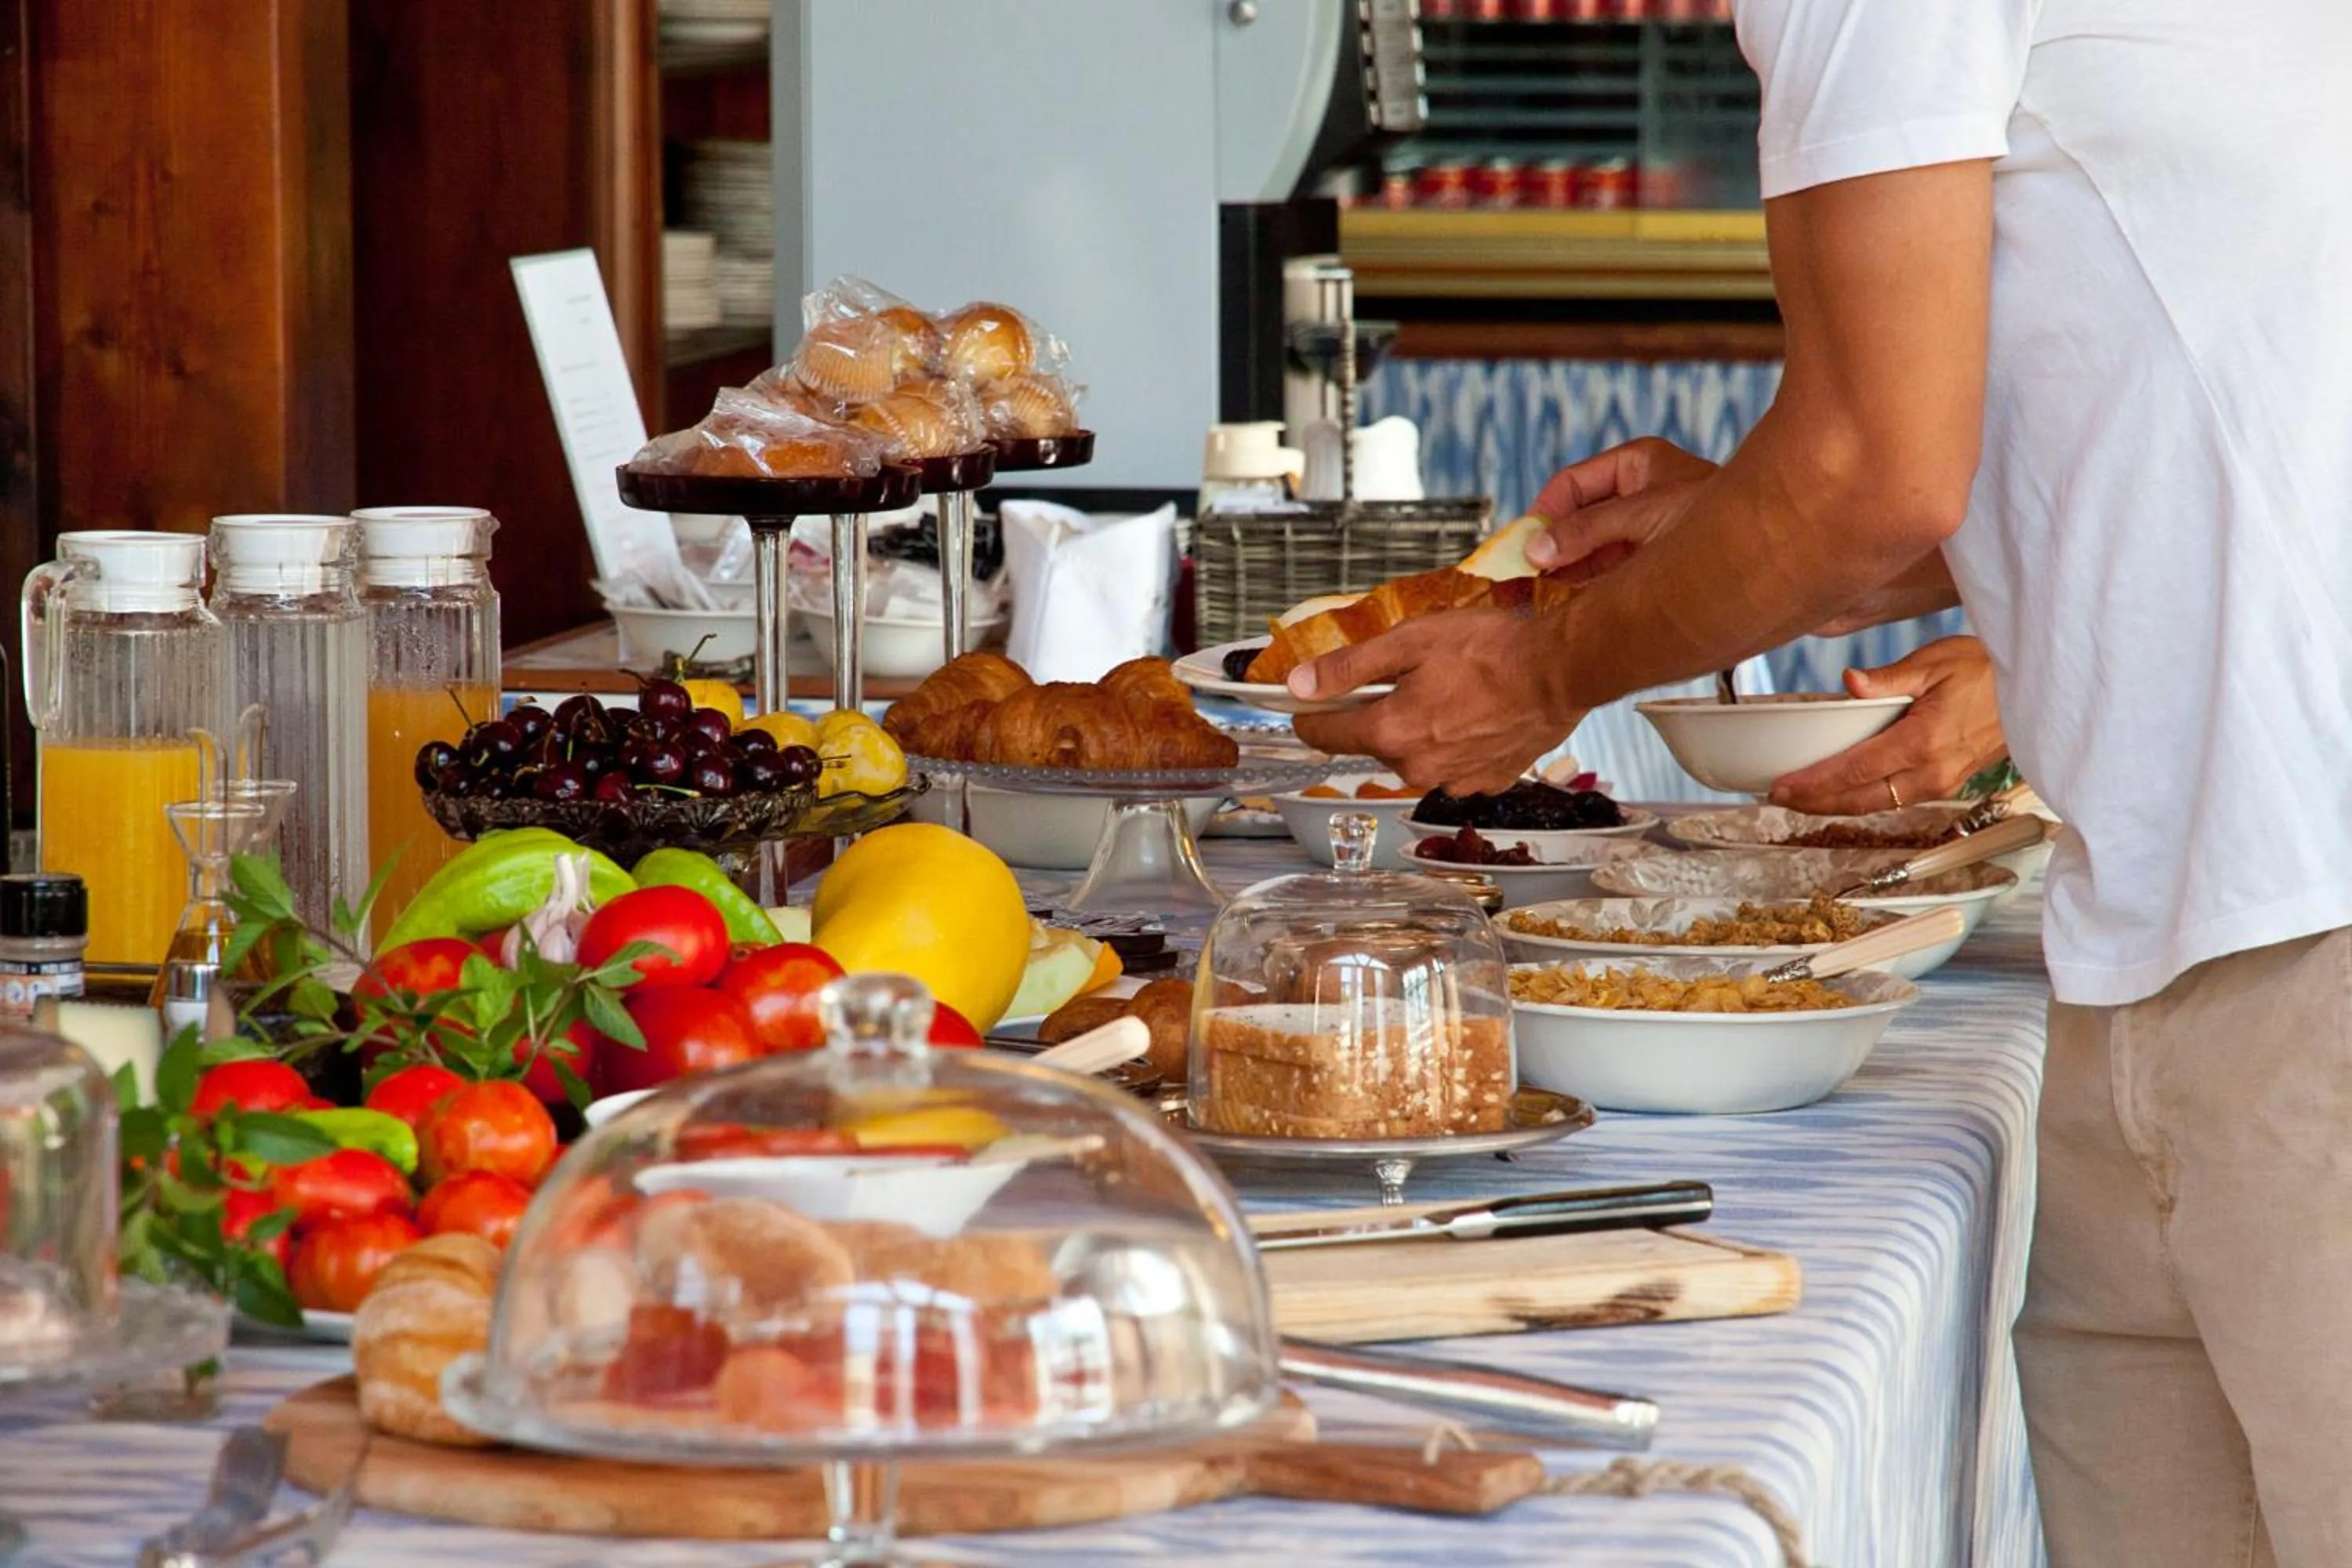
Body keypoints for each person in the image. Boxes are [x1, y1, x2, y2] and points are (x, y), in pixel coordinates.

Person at [1290, 5, 2352, 1563]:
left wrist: (1545, 672)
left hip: (2301, 933)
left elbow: (1871, 469)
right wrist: (1752, 527)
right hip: (2175, 935)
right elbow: (2127, 394)